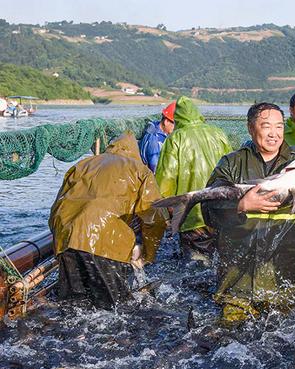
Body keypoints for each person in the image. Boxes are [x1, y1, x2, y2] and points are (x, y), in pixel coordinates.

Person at [202, 103, 295, 322]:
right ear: (251, 128)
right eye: (266, 126)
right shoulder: (231, 163)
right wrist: (241, 205)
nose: (274, 133)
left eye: (280, 127)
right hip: (237, 284)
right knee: (228, 341)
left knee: (288, 346)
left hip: (287, 285)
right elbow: (208, 207)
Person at [49, 131, 166, 309]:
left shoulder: (82, 164)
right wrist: (148, 254)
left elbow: (56, 209)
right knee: (114, 309)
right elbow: (154, 217)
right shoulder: (140, 171)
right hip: (104, 244)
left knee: (72, 308)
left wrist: (61, 239)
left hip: (67, 238)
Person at [155, 96, 232, 261]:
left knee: (195, 268)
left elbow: (165, 181)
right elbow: (233, 169)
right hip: (221, 211)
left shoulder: (175, 139)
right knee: (221, 264)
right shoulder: (219, 134)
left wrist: (170, 214)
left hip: (191, 216)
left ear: (178, 119)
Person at [138, 101, 176, 172]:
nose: (176, 128)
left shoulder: (159, 129)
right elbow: (155, 170)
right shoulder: (154, 140)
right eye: (175, 124)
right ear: (166, 121)